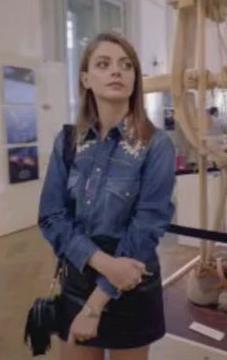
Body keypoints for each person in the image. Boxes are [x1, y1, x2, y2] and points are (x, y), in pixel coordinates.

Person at [38, 32, 176, 360]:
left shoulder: (156, 145)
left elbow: (147, 226)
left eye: (126, 65)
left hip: (132, 280)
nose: (116, 71)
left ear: (134, 79)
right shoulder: (68, 142)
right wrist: (102, 263)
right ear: (86, 79)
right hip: (78, 275)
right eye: (103, 64)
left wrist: (97, 302)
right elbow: (51, 216)